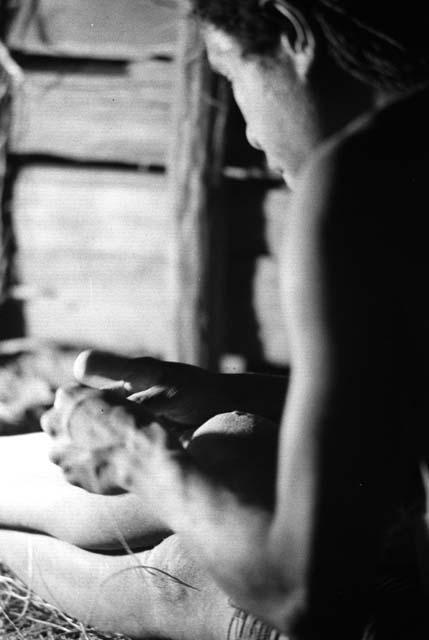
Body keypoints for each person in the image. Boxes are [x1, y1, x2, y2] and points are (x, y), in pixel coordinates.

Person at [2, 0, 429, 637]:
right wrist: (224, 391)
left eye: (230, 73)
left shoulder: (365, 180)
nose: (252, 134)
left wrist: (137, 457)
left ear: (293, 34)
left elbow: (301, 595)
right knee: (233, 434)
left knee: (203, 580)